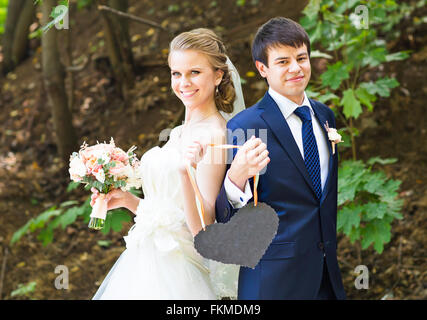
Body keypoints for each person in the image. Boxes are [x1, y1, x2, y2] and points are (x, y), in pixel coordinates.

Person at [91, 28, 244, 300]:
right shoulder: (178, 133)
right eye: (177, 73)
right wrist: (128, 201)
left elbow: (202, 231)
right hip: (143, 262)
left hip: (179, 277)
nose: (184, 82)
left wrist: (185, 172)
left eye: (195, 72)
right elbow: (171, 215)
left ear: (218, 75)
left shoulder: (217, 136)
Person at [215, 17, 347, 299]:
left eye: (301, 58)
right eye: (283, 62)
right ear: (263, 68)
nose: (296, 68)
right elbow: (224, 216)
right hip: (273, 283)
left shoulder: (325, 116)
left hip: (327, 277)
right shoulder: (245, 126)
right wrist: (235, 176)